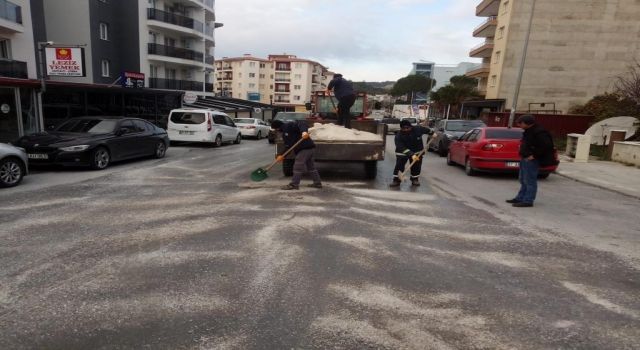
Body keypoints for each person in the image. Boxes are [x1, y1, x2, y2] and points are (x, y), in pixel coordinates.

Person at [506, 114, 556, 207]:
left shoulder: (540, 132)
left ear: (526, 123)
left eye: (520, 123)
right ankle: (520, 198)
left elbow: (547, 145)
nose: (519, 125)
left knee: (529, 180)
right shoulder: (528, 131)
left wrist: (534, 155)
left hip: (531, 160)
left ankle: (528, 200)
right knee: (523, 179)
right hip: (525, 158)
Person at [270, 119, 322, 190]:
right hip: (309, 148)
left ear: (277, 128)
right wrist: (282, 155)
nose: (276, 131)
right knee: (311, 167)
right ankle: (317, 183)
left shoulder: (289, 125)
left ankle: (294, 184)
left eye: (275, 129)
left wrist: (304, 132)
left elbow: (302, 122)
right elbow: (289, 146)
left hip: (304, 149)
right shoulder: (285, 134)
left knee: (297, 166)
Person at [390, 120, 433, 187]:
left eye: (407, 128)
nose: (406, 130)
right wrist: (411, 154)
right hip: (402, 152)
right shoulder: (398, 136)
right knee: (399, 165)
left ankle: (414, 179)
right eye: (404, 128)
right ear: (401, 128)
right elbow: (400, 147)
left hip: (417, 151)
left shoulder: (418, 129)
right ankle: (396, 180)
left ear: (411, 127)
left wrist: (432, 133)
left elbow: (427, 130)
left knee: (416, 165)